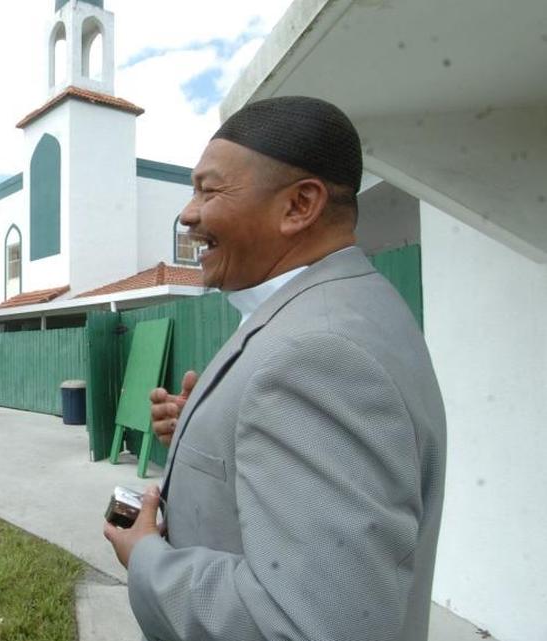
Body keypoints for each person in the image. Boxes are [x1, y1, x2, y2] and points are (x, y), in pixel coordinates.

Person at [103, 96, 446, 641]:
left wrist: (146, 558)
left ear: (298, 206)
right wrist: (207, 429)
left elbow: (309, 624)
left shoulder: (319, 353)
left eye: (208, 190)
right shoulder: (336, 311)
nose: (188, 213)